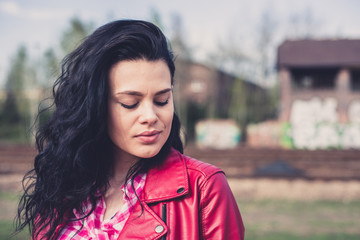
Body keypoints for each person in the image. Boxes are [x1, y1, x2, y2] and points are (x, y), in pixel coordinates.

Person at [16, 19, 245, 240]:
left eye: (162, 100)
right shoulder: (63, 184)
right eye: (130, 103)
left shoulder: (204, 189)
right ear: (94, 106)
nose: (150, 117)